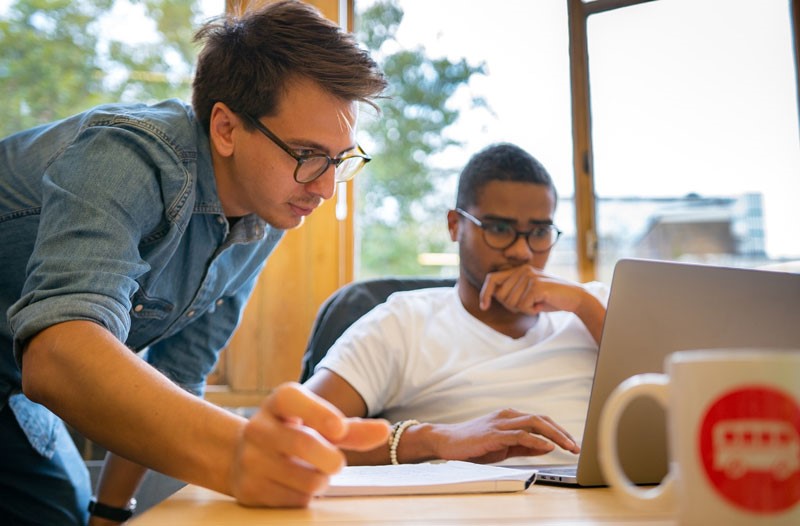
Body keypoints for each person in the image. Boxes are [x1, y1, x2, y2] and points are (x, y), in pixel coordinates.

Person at [0, 2, 391, 524]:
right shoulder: (126, 156)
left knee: (68, 514)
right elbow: (57, 354)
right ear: (226, 128)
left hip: (11, 381)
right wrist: (235, 451)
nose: (324, 188)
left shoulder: (265, 214)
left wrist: (110, 513)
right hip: (29, 371)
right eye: (306, 155)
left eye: (340, 161)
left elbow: (177, 375)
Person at [305, 143, 608, 466]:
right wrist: (436, 439)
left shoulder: (593, 310)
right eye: (499, 229)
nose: (522, 252)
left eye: (539, 232)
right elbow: (296, 435)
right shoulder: (401, 323)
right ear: (454, 225)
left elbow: (665, 403)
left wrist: (583, 303)